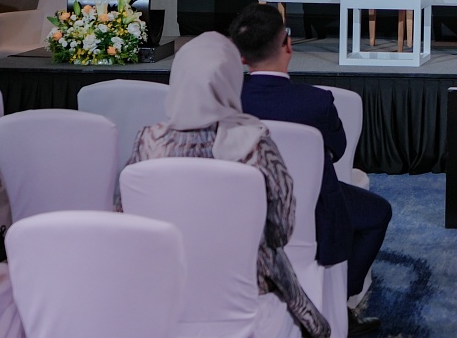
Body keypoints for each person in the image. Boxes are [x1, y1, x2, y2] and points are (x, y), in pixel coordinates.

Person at [119, 32, 330, 338]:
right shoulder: (255, 144)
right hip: (246, 284)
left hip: (163, 282)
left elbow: (124, 214)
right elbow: (280, 232)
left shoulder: (148, 140)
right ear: (232, 80)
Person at [230, 3, 392, 337]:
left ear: (241, 58)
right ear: (288, 45)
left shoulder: (227, 100)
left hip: (239, 208)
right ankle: (340, 301)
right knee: (378, 213)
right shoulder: (316, 102)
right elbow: (338, 151)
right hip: (313, 210)